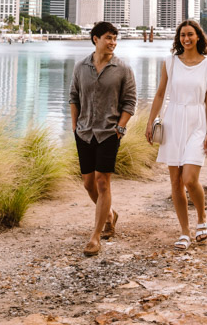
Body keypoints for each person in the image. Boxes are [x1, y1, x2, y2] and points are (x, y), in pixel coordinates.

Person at [146, 19, 207, 250]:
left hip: (197, 122)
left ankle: (202, 218)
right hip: (173, 120)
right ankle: (185, 232)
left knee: (189, 178)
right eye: (182, 35)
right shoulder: (170, 62)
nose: (186, 39)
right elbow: (159, 95)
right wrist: (150, 122)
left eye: (190, 34)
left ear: (198, 37)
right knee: (175, 182)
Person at [69, 21, 137, 256]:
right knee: (88, 184)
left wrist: (120, 127)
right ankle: (109, 214)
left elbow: (130, 102)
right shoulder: (80, 67)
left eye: (115, 38)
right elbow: (74, 97)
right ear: (95, 39)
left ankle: (96, 236)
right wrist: (74, 126)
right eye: (108, 37)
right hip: (84, 132)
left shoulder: (123, 69)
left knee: (102, 182)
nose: (113, 42)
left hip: (109, 132)